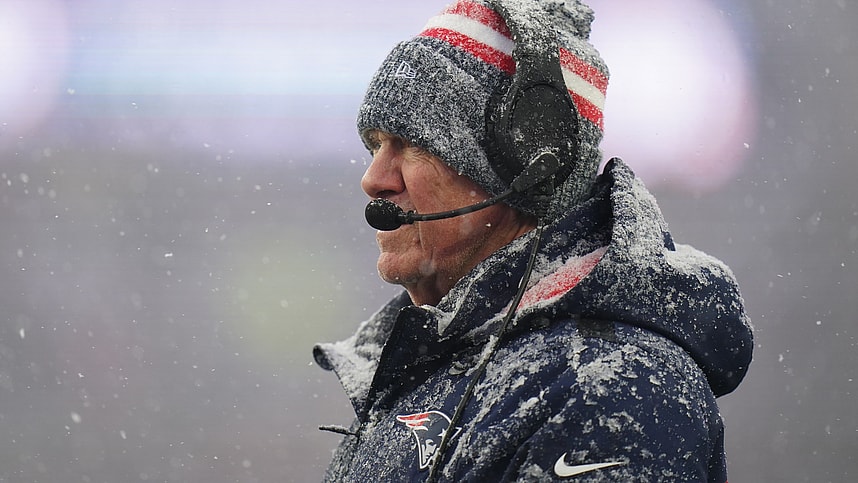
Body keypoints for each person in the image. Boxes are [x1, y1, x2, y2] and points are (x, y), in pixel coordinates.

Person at [313, 0, 754, 481]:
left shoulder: (605, 388)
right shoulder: (427, 372)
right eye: (376, 146)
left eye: (414, 145)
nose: (373, 179)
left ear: (531, 164)